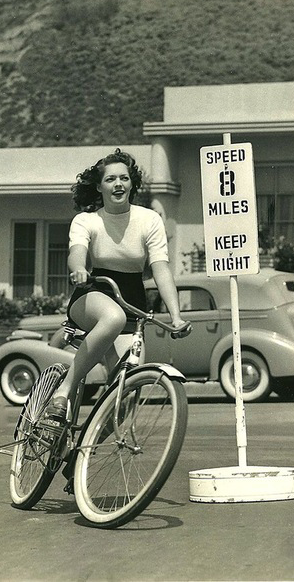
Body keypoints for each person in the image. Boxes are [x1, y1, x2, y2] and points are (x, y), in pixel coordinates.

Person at [47, 148, 189, 421]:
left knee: (128, 386)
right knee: (113, 317)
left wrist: (176, 316)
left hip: (132, 301)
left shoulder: (149, 220)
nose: (118, 184)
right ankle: (63, 392)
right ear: (99, 186)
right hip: (94, 292)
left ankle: (82, 453)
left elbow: (161, 268)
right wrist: (78, 269)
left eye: (124, 178)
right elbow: (77, 252)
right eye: (110, 179)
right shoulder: (87, 220)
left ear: (132, 183)